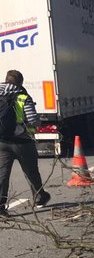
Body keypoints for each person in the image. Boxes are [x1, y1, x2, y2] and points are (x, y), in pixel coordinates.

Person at [0, 69, 50, 216]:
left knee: (2, 174)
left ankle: (0, 207)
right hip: (22, 142)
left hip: (2, 142)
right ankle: (40, 197)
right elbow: (33, 120)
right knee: (31, 171)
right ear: (20, 82)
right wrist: (36, 123)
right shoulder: (23, 97)